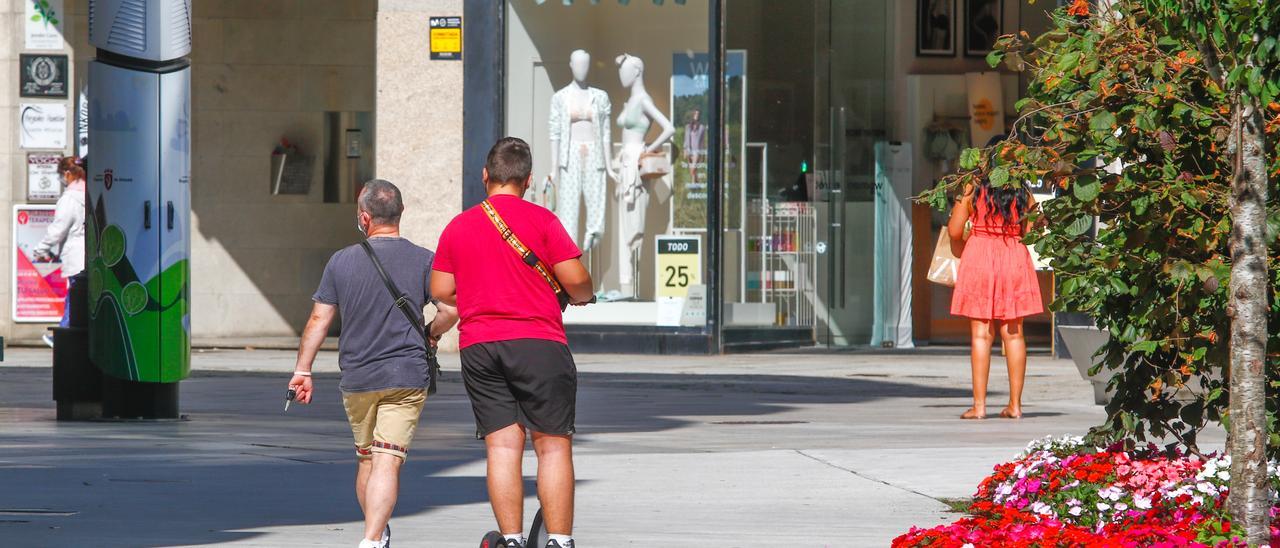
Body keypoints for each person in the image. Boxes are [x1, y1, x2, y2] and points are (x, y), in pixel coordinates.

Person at [430, 138, 593, 548]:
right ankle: (558, 540)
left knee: (502, 446)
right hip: (539, 341)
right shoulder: (542, 221)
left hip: (480, 346)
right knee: (552, 446)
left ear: (485, 176)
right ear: (528, 179)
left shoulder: (459, 226)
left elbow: (442, 289)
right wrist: (583, 295)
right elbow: (576, 282)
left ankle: (512, 539)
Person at [287, 179, 458, 548]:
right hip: (406, 375)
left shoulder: (341, 261)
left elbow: (319, 319)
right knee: (387, 460)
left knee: (367, 459)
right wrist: (431, 333)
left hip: (358, 377)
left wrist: (303, 371)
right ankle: (372, 538)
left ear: (364, 217)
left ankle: (376, 534)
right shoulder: (424, 259)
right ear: (400, 213)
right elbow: (452, 309)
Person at [948, 173, 1043, 420]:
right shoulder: (1023, 191)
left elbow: (954, 230)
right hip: (1013, 255)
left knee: (981, 334)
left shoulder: (972, 190)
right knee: (1014, 333)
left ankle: (979, 407)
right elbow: (1032, 230)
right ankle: (1015, 405)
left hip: (979, 256)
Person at [33, 156, 87, 347]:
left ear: (67, 174)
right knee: (79, 298)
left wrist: (40, 249)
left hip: (75, 256)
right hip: (87, 256)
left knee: (74, 297)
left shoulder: (70, 199)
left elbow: (58, 229)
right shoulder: (89, 194)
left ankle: (62, 337)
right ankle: (64, 335)